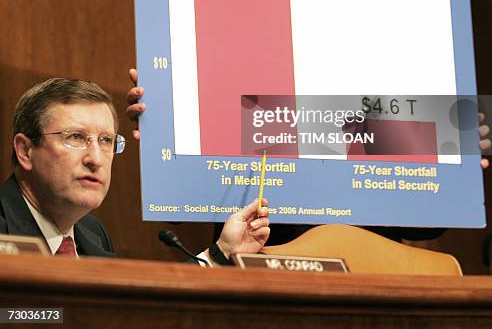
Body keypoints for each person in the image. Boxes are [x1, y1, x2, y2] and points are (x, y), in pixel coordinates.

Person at [127, 69, 491, 245]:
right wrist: (166, 121)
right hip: (263, 276)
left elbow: (429, 220)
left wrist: (454, 169)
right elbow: (195, 186)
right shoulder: (243, 76)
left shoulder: (381, 93)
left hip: (372, 286)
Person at [0, 78, 269, 261]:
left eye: (106, 140)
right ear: (25, 151)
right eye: (75, 138)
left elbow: (120, 312)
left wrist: (221, 252)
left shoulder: (92, 233)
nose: (95, 158)